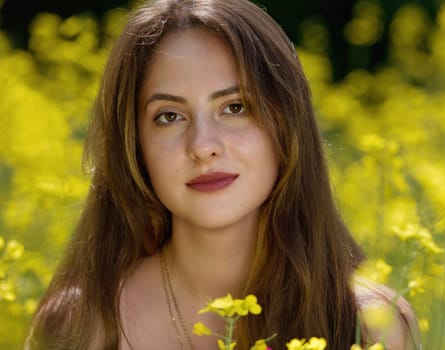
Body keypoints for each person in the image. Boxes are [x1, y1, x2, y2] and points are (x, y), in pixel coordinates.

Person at [25, 0, 421, 349]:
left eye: (235, 107)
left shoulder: (368, 325)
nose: (203, 146)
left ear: (287, 124)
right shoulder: (79, 326)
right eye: (169, 116)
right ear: (136, 147)